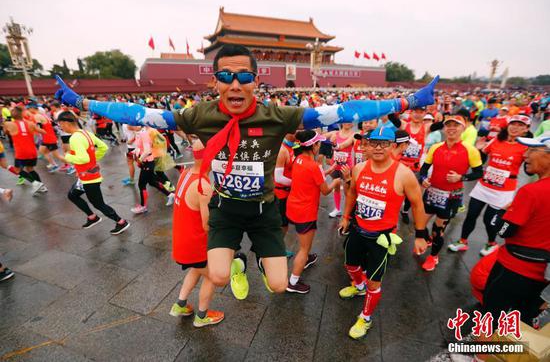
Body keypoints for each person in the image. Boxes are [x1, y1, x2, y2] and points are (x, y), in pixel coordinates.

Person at [54, 44, 439, 294]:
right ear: (215, 81)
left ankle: (255, 255)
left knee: (275, 285)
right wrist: (83, 105)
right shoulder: (199, 114)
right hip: (224, 208)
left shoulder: (276, 115)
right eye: (225, 76)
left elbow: (337, 112)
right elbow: (142, 114)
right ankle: (235, 260)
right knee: (219, 276)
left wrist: (407, 103)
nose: (234, 83)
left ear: (256, 80)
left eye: (243, 76)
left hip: (263, 212)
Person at [338, 126, 429, 339]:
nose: (378, 148)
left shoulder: (404, 174)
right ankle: (358, 286)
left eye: (384, 143)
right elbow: (352, 192)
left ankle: (366, 317)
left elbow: (417, 205)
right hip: (358, 230)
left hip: (381, 237)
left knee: (374, 281)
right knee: (350, 265)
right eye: (373, 143)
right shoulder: (359, 168)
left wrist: (421, 235)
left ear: (393, 146)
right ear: (366, 145)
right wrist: (345, 217)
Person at [483, 132, 550, 326]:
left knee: (491, 316)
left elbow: (504, 231)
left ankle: (480, 356)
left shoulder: (531, 191)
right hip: (542, 274)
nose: (525, 155)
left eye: (532, 150)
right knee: (523, 321)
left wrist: (501, 213)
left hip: (515, 268)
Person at [448, 115, 530, 256]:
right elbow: (482, 159)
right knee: (471, 215)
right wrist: (479, 150)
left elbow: (529, 171)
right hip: (484, 186)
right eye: (513, 123)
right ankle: (462, 241)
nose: (515, 127)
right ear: (508, 125)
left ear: (526, 129)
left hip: (503, 190)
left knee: (489, 220)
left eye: (520, 125)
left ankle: (491, 243)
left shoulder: (525, 147)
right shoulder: (497, 140)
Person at [170, 140, 224, 327]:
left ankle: (180, 305)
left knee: (196, 269)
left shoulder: (185, 174)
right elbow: (207, 225)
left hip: (182, 241)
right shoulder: (203, 186)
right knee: (211, 276)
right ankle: (202, 316)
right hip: (195, 244)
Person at [418, 115, 483, 271]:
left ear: (463, 128)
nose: (451, 128)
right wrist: (423, 179)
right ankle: (426, 240)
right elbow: (423, 169)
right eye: (448, 125)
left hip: (450, 196)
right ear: (444, 128)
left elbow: (479, 172)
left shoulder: (470, 150)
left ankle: (433, 256)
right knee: (419, 224)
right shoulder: (436, 147)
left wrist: (461, 177)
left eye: (456, 125)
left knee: (438, 230)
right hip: (432, 192)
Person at [285, 130, 343, 293]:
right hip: (306, 211)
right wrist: (336, 180)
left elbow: (311, 177)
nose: (319, 146)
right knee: (303, 248)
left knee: (304, 240)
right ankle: (293, 282)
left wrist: (328, 171)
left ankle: (307, 257)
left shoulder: (298, 160)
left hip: (294, 207)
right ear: (313, 146)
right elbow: (325, 190)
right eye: (318, 143)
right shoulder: (314, 166)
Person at [57, 111, 130, 235]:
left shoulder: (75, 138)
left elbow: (83, 158)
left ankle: (121, 222)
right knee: (72, 195)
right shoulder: (85, 133)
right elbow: (103, 147)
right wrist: (93, 159)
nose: (60, 127)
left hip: (89, 178)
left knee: (99, 204)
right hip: (84, 175)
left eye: (60, 124)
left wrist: (68, 156)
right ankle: (92, 217)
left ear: (66, 123)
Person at [3, 106, 48, 195]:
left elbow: (5, 132)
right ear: (22, 114)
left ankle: (36, 183)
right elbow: (43, 132)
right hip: (32, 151)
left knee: (17, 170)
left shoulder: (8, 124)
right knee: (30, 169)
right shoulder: (30, 123)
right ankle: (42, 187)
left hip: (21, 153)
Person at [131, 126, 175, 214]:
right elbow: (140, 147)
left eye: (132, 124)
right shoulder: (140, 133)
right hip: (146, 162)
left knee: (141, 184)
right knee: (152, 182)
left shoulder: (144, 133)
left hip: (147, 162)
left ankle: (143, 207)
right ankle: (170, 195)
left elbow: (147, 151)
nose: (130, 126)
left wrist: (140, 159)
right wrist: (135, 152)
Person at [274, 132, 298, 257]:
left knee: (284, 224)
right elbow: (278, 177)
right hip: (280, 194)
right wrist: (297, 183)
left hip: (287, 192)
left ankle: (278, 247)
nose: (299, 133)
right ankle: (276, 250)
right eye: (296, 131)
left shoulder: (292, 146)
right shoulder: (282, 150)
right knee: (281, 225)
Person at [325, 123, 355, 218]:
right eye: (345, 120)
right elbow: (319, 137)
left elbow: (344, 145)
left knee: (348, 191)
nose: (347, 123)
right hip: (335, 165)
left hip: (346, 167)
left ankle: (348, 213)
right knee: (336, 187)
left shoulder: (353, 135)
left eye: (349, 121)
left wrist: (334, 144)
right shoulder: (335, 133)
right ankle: (337, 209)